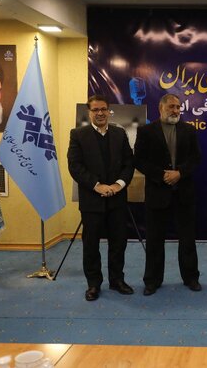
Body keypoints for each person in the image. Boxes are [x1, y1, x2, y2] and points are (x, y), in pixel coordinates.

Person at [67, 94, 135, 301]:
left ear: (109, 111)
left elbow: (129, 164)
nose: (100, 113)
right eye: (95, 110)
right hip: (92, 200)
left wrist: (118, 185)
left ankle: (117, 280)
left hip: (117, 198)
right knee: (91, 245)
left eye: (103, 109)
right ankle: (93, 284)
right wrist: (98, 186)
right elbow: (75, 166)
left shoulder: (119, 133)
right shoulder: (78, 134)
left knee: (118, 243)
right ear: (89, 112)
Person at [134, 93, 202, 295]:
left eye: (178, 107)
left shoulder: (189, 130)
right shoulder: (146, 131)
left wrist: (180, 173)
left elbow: (196, 158)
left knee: (187, 239)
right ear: (161, 108)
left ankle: (191, 278)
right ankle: (152, 281)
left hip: (184, 193)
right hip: (157, 193)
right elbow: (139, 160)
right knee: (154, 240)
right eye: (171, 106)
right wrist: (161, 175)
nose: (175, 110)